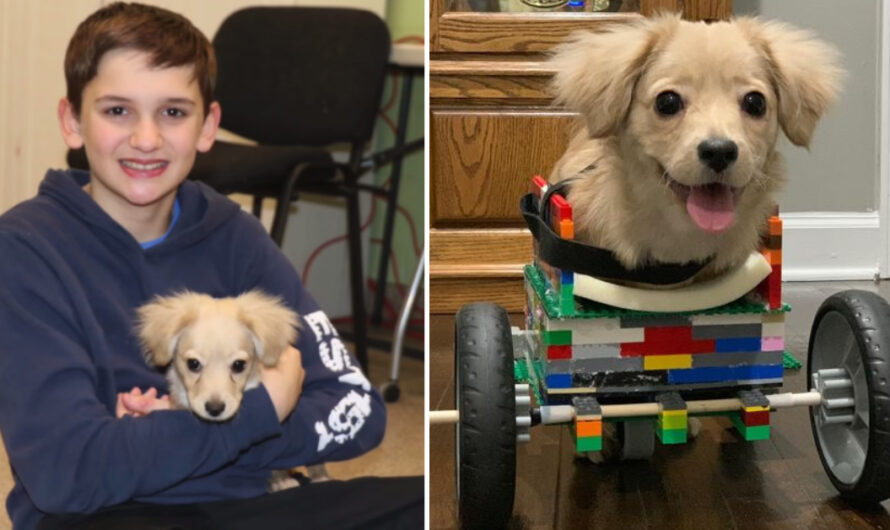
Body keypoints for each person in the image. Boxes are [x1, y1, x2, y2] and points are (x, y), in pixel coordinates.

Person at [0, 3, 422, 529]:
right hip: (108, 514)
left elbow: (359, 411)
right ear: (72, 121)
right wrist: (264, 410)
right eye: (117, 111)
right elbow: (67, 473)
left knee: (438, 505)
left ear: (208, 126)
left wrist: (163, 439)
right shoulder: (24, 249)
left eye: (174, 112)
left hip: (249, 502)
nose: (147, 139)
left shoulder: (235, 235)